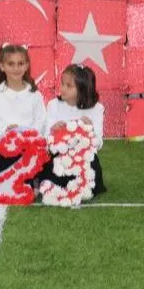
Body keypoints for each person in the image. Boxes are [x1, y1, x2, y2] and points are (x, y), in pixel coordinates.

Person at [40, 64, 107, 195]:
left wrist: (90, 131)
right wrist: (53, 131)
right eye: (62, 84)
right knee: (52, 179)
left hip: (83, 159)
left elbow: (98, 144)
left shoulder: (97, 108)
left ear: (83, 89)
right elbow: (45, 140)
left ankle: (83, 184)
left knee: (90, 175)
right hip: (59, 158)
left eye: (69, 86)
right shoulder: (53, 105)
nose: (63, 88)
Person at [0, 44, 46, 176]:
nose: (16, 68)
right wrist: (6, 132)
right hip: (3, 149)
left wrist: (25, 134)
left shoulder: (35, 95)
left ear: (27, 65)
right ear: (2, 66)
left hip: (29, 147)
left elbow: (41, 122)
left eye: (20, 63)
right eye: (11, 64)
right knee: (3, 182)